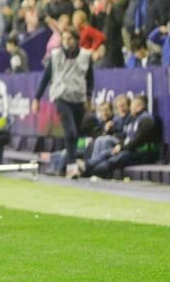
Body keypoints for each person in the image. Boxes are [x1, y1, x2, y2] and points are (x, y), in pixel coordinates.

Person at [32, 28, 94, 173]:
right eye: (64, 39)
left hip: (78, 98)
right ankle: (72, 167)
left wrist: (89, 97)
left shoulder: (86, 56)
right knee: (70, 132)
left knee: (75, 134)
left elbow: (90, 79)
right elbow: (45, 78)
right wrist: (37, 98)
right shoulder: (55, 55)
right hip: (61, 97)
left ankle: (61, 167)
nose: (66, 42)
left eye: (70, 38)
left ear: (77, 40)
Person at [78, 94, 161, 178]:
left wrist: (121, 147)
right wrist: (120, 145)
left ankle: (87, 172)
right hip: (130, 149)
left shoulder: (146, 120)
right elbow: (127, 137)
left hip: (141, 154)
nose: (130, 107)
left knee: (113, 160)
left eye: (132, 105)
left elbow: (136, 141)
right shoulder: (136, 119)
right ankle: (85, 165)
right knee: (106, 153)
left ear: (139, 106)